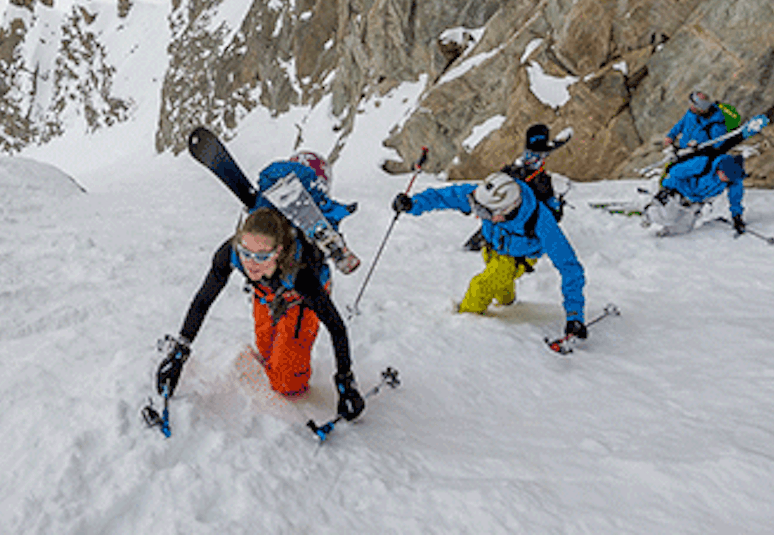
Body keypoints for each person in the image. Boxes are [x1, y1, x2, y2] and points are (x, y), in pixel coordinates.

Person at [156, 156, 366, 420]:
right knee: (266, 351)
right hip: (265, 295)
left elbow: (336, 327)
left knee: (287, 385)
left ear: (279, 252)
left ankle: (289, 368)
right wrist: (179, 353)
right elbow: (203, 301)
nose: (251, 264)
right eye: (246, 253)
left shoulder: (301, 276)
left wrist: (346, 382)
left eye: (261, 256)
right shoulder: (230, 253)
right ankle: (276, 355)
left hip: (298, 300)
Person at [393, 171, 587, 338]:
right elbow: (447, 195)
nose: (480, 215)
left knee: (482, 286)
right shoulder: (485, 196)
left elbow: (569, 267)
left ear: (505, 211)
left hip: (517, 259)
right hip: (492, 247)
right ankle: (508, 302)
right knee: (499, 280)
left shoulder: (543, 223)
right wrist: (413, 203)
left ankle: (463, 328)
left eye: (486, 213)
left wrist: (574, 316)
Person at [464, 123, 564, 251]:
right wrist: (557, 206)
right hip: (516, 232)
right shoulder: (541, 182)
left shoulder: (513, 172)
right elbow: (553, 216)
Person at [644, 154, 746, 237]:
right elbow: (675, 172)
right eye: (723, 174)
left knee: (683, 228)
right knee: (668, 217)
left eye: (727, 178)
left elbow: (735, 199)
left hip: (696, 201)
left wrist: (737, 217)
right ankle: (648, 212)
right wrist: (665, 189)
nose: (724, 179)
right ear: (721, 167)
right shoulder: (703, 163)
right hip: (679, 191)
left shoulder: (734, 179)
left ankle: (665, 236)